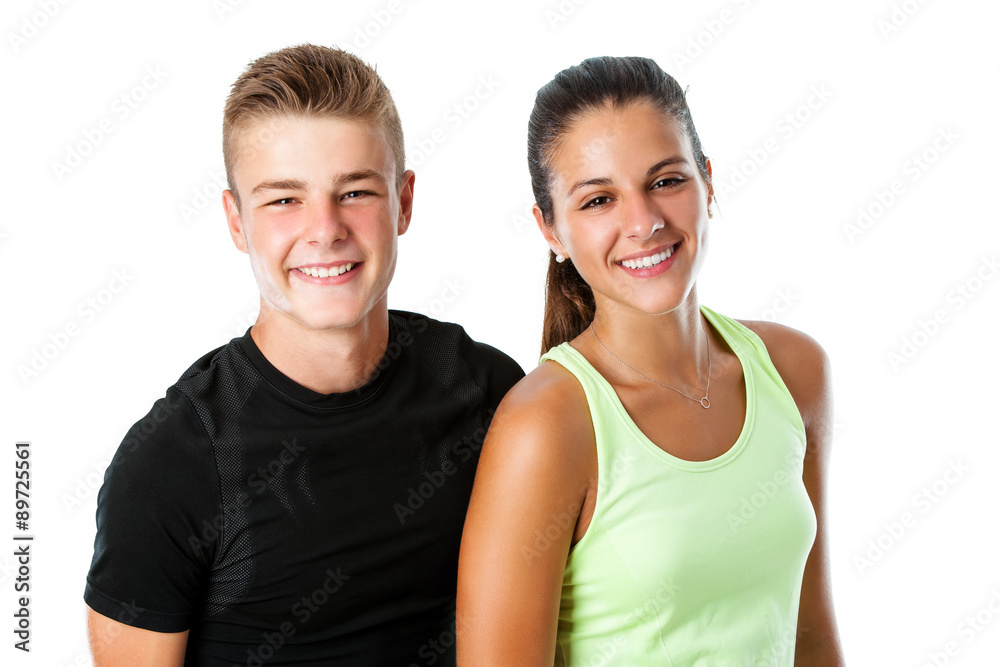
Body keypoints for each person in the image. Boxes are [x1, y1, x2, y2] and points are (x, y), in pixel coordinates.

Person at [84, 44, 523, 666]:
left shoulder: (486, 390)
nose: (325, 229)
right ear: (237, 221)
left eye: (356, 192)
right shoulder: (171, 465)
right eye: (284, 199)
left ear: (403, 201)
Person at [457, 56, 845, 665]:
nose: (643, 222)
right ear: (550, 230)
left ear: (707, 183)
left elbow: (812, 638)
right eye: (598, 200)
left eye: (665, 181)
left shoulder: (794, 371)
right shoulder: (546, 424)